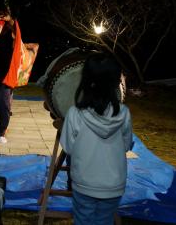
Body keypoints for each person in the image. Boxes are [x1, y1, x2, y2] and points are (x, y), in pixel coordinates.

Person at [60, 52, 132, 225]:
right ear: (116, 81)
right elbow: (126, 146)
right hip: (113, 185)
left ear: (85, 80)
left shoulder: (74, 114)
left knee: (83, 220)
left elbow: (68, 147)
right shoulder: (123, 113)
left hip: (84, 183)